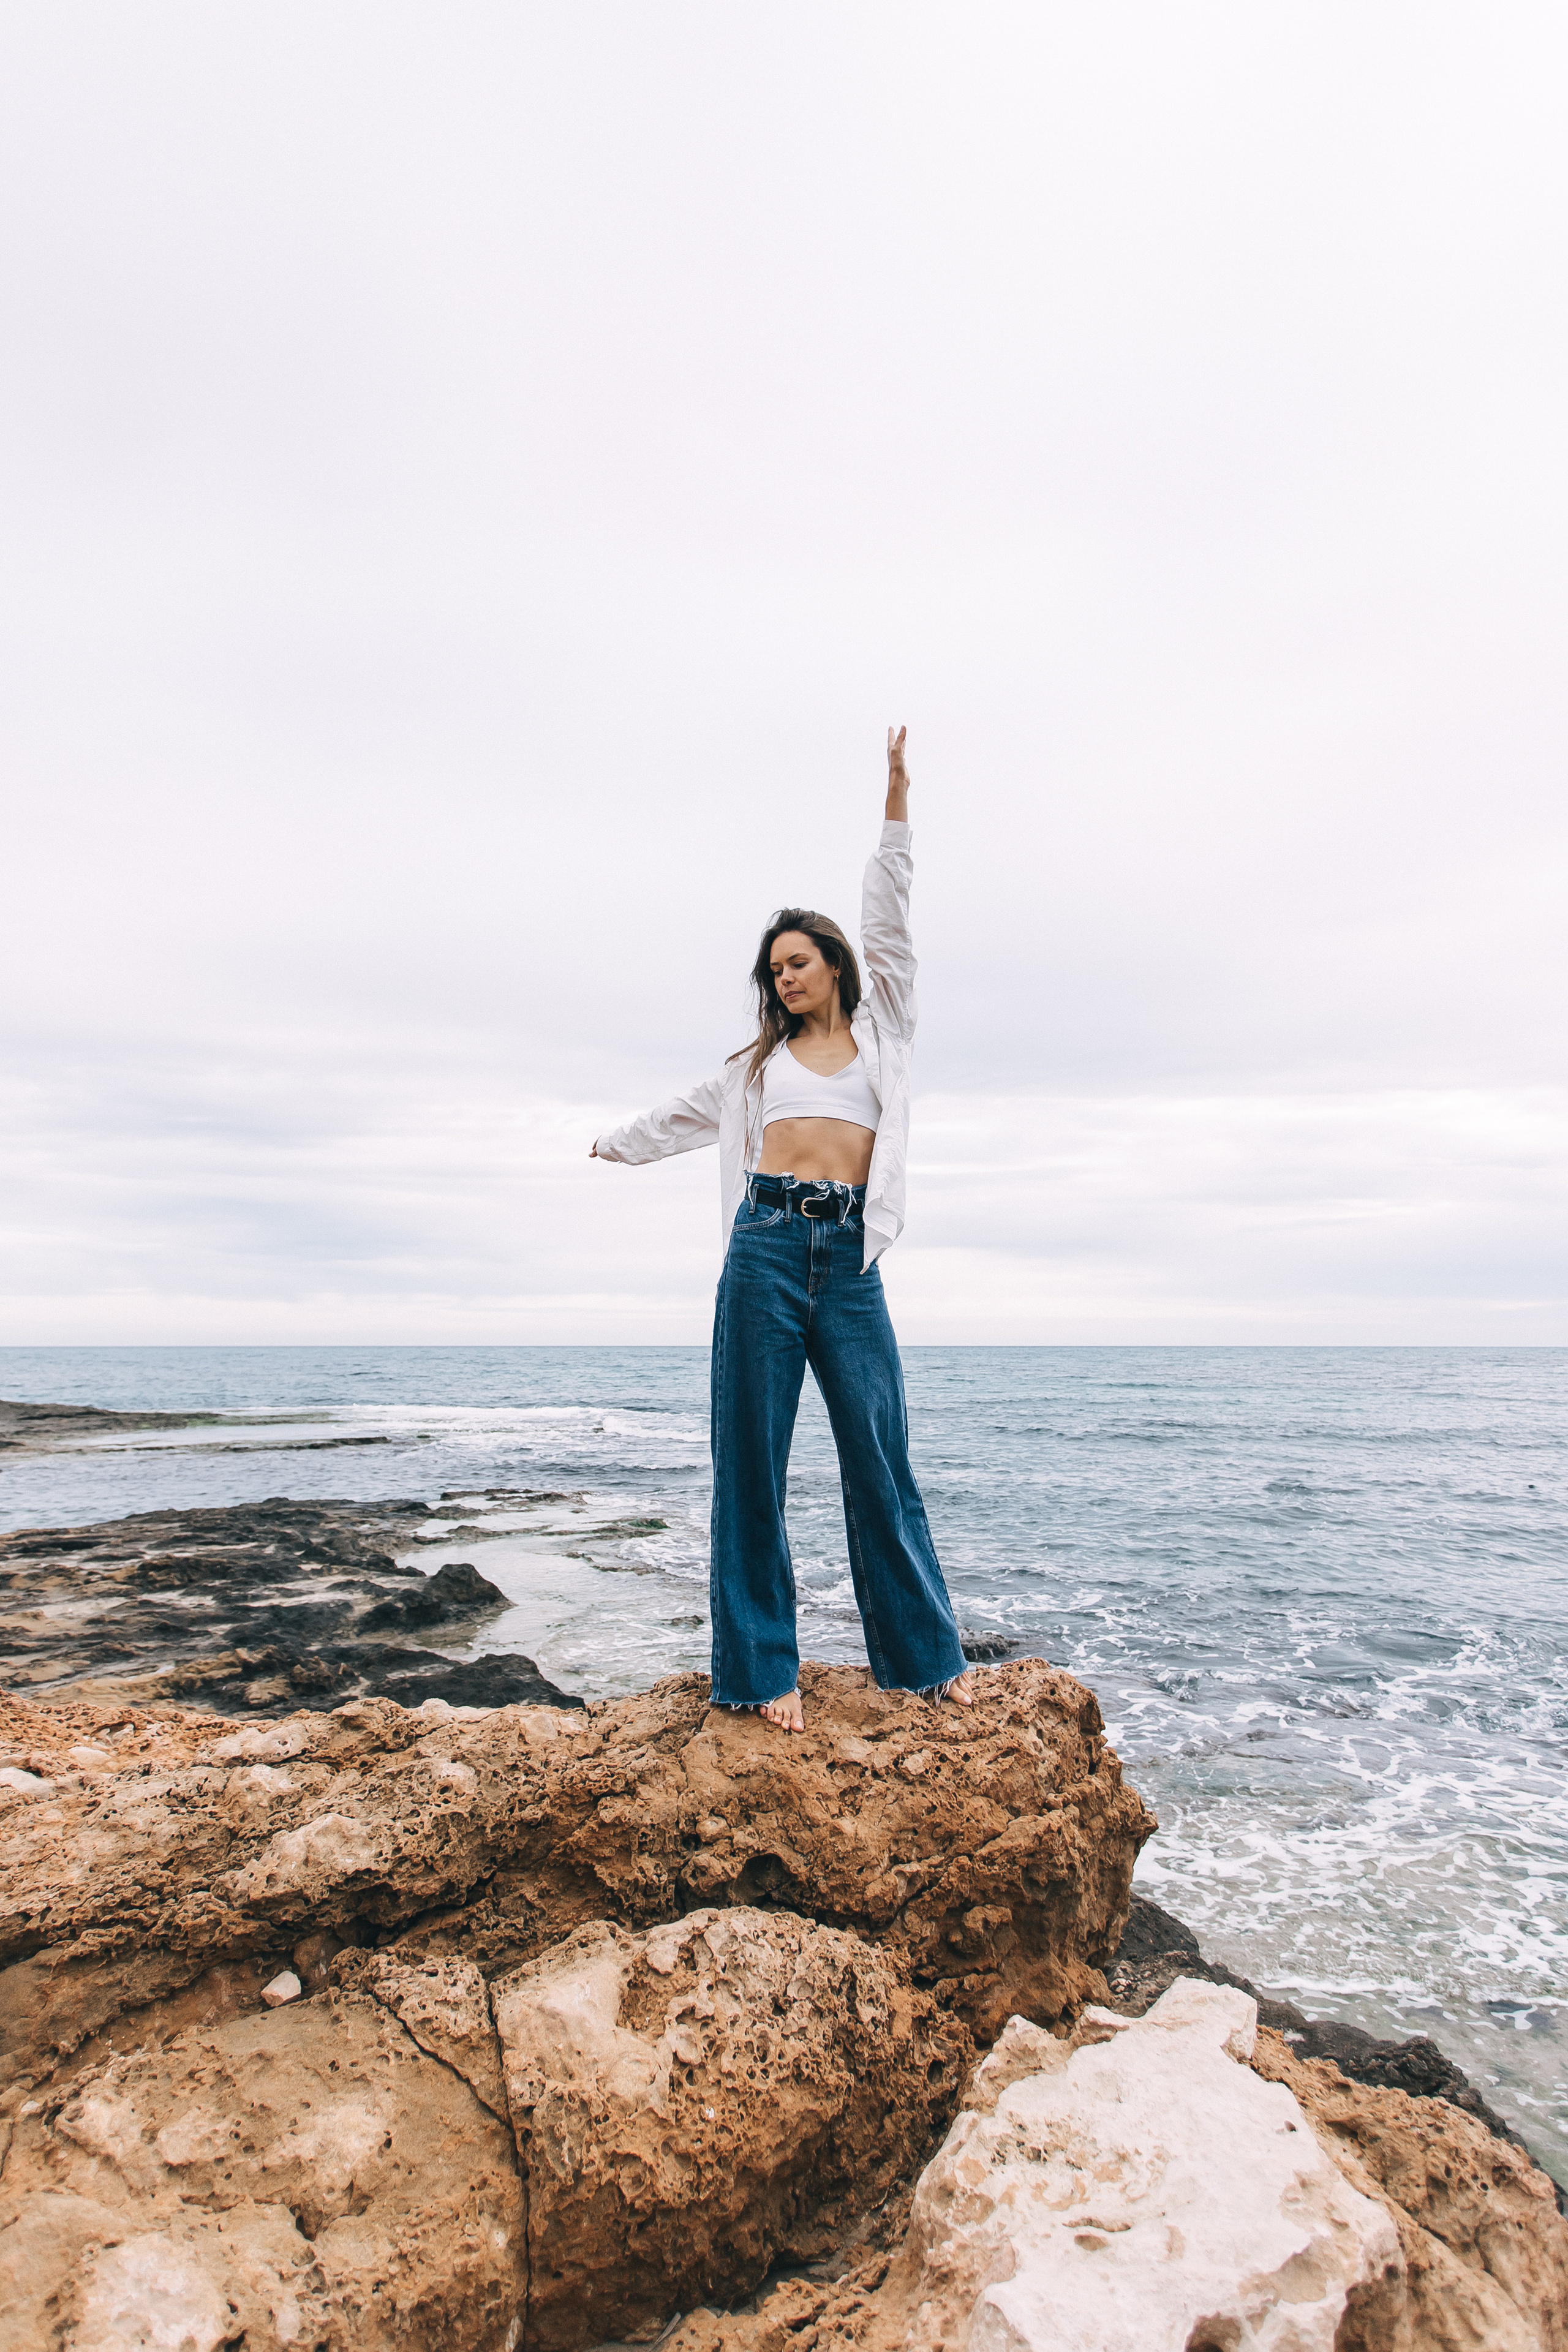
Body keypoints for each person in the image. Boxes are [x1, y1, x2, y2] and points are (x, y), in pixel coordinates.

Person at [590, 728, 973, 1733]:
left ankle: (926, 1660)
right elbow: (682, 1115)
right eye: (774, 971)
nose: (785, 979)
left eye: (798, 963)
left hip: (848, 1258)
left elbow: (892, 916)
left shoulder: (885, 1023)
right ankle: (762, 1675)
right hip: (762, 1248)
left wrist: (896, 802)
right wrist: (615, 1144)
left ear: (835, 966)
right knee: (749, 1462)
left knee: (878, 1456)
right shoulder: (753, 1069)